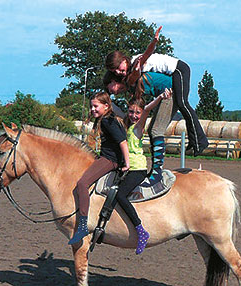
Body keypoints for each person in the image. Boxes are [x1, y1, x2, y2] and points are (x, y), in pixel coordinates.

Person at [105, 26, 209, 157]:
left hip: (179, 69)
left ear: (124, 60)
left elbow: (148, 53)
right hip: (171, 77)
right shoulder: (131, 73)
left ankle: (200, 141)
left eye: (119, 69)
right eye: (116, 72)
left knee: (183, 104)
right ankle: (194, 141)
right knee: (176, 110)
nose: (119, 72)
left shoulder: (137, 62)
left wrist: (154, 41)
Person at [69, 92, 130, 245]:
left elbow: (123, 142)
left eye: (96, 106)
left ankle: (83, 225)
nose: (93, 109)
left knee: (82, 184)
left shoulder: (108, 122)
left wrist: (126, 163)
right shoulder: (106, 119)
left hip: (110, 160)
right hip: (106, 157)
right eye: (91, 106)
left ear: (106, 106)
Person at [116, 89, 172, 254]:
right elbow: (114, 108)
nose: (134, 115)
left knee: (120, 195)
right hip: (125, 167)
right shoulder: (125, 124)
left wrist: (160, 97)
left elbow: (147, 109)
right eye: (131, 111)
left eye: (137, 112)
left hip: (137, 169)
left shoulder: (138, 127)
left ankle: (140, 229)